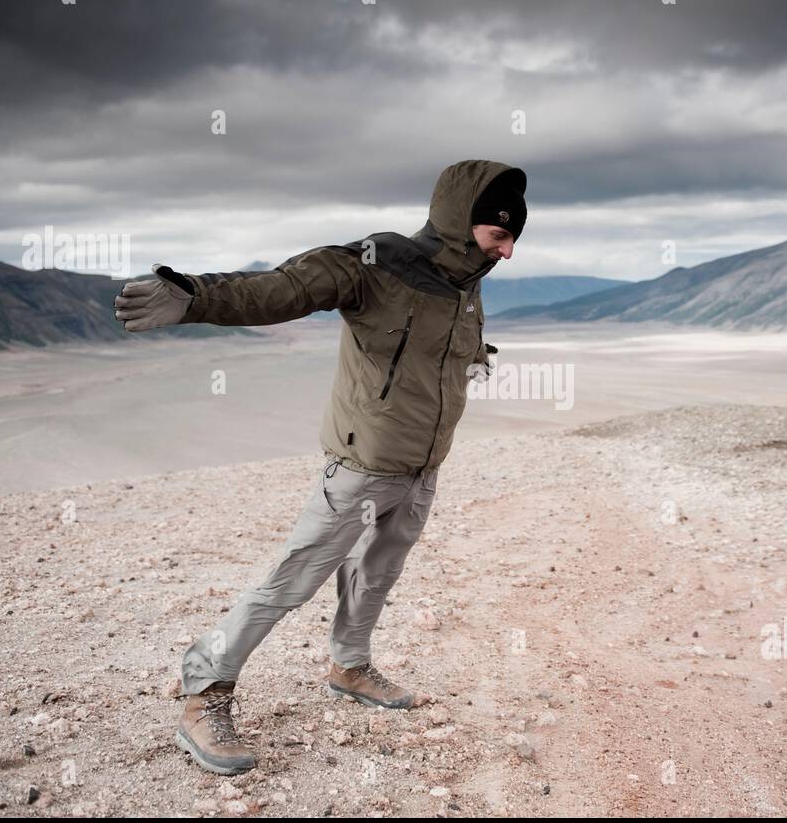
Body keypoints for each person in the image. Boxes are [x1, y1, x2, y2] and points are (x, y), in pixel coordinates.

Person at [112, 159, 527, 774]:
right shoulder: (375, 264)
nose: (508, 252)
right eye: (499, 236)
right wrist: (196, 296)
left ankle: (350, 667)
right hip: (361, 466)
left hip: (421, 469)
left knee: (378, 571)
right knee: (291, 581)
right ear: (464, 222)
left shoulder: (467, 283)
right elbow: (282, 289)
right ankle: (204, 690)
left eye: (514, 237)